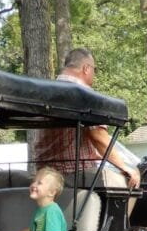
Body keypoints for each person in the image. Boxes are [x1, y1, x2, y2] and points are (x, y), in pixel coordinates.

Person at [36, 48, 141, 189]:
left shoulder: (45, 92)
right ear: (86, 68)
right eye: (94, 69)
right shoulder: (84, 95)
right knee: (130, 182)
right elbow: (98, 137)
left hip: (43, 172)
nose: (94, 74)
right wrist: (125, 167)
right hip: (74, 173)